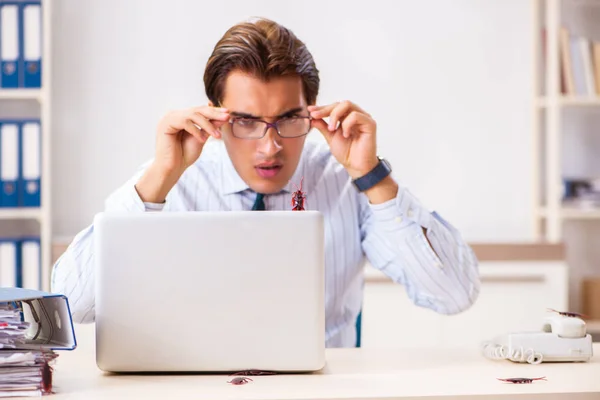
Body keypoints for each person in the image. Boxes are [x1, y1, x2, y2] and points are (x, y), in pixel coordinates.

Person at [51, 17, 480, 348]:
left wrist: (372, 177)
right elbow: (69, 306)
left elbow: (454, 295)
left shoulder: (345, 177)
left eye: (288, 119)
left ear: (312, 111)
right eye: (246, 121)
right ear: (216, 115)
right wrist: (159, 179)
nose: (269, 146)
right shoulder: (173, 178)